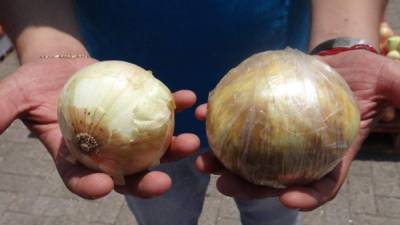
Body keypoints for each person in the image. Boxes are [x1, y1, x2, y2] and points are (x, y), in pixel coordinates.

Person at [0, 0, 399, 225]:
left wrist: (343, 39)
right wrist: (49, 46)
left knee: (275, 207)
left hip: (295, 84)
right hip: (135, 111)